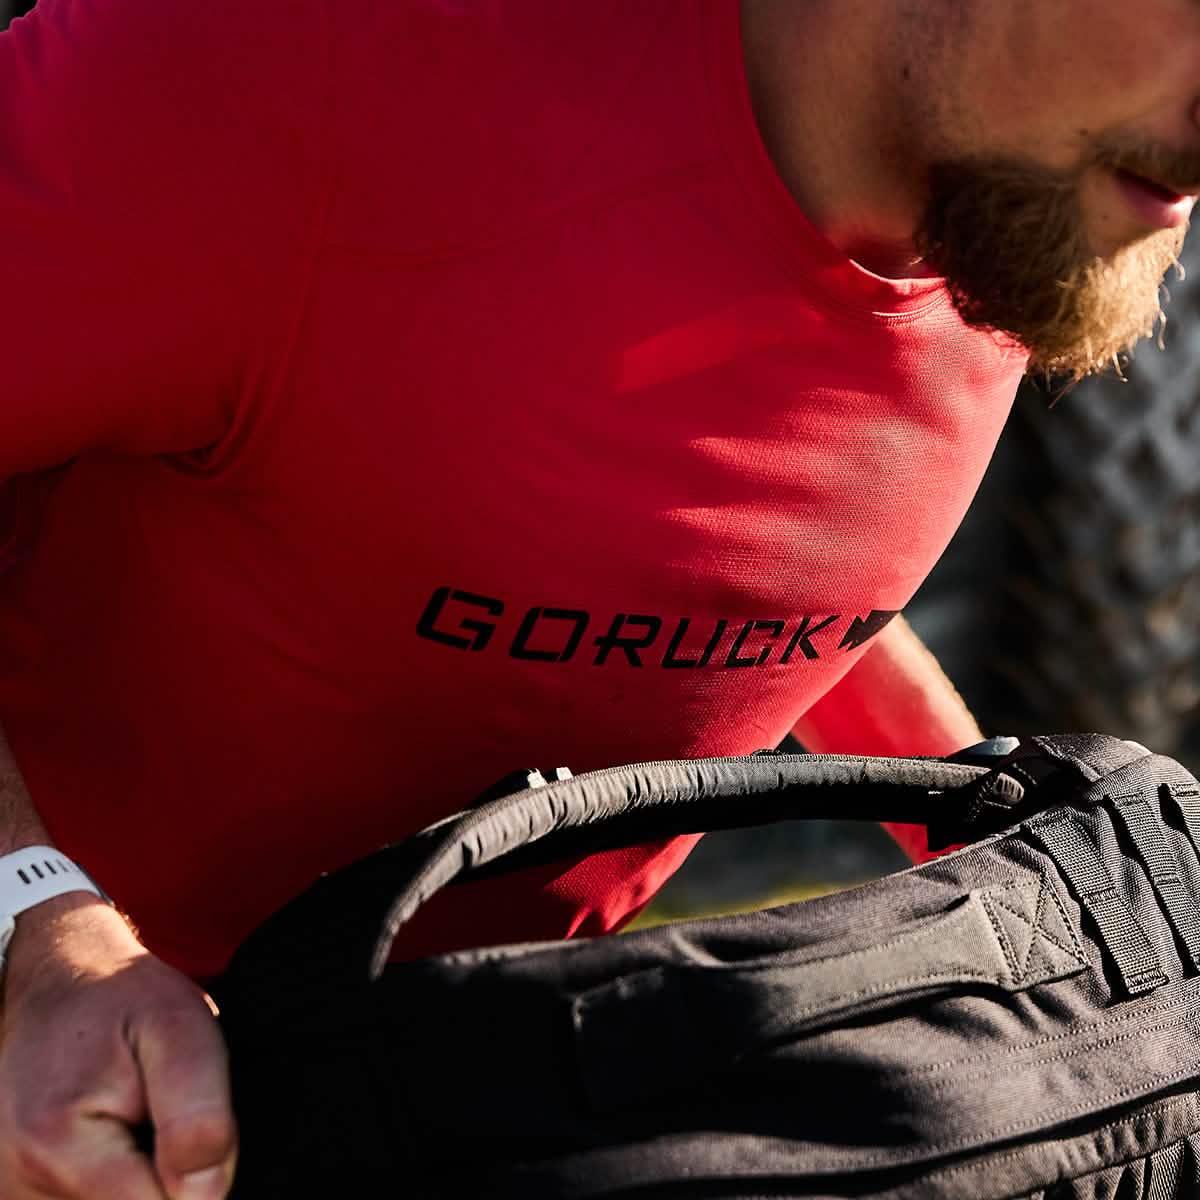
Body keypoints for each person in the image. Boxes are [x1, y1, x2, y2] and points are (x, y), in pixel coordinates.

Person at [0, 1, 1197, 1197]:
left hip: (514, 1096)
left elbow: (717, 549)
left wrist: (1049, 884)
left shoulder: (1032, 183)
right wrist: (36, 934)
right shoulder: (279, 70)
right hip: (99, 1108)